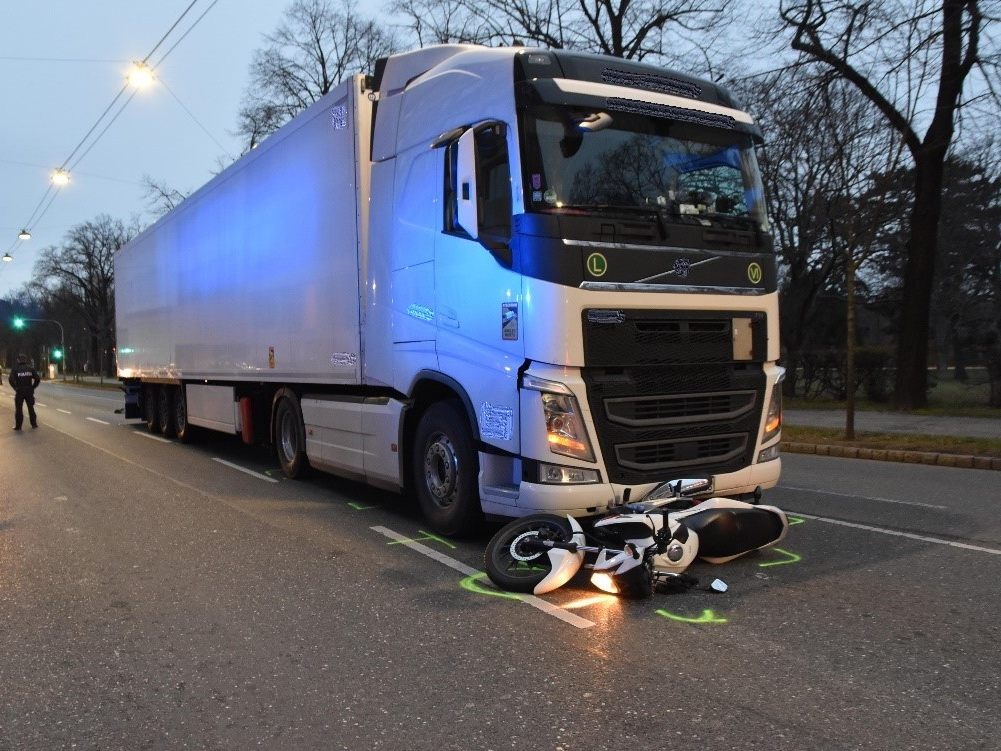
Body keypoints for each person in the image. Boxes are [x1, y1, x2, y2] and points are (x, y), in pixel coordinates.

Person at [9, 353, 41, 430]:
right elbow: (37, 379)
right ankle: (34, 424)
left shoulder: (15, 369)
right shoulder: (30, 368)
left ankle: (18, 426)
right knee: (31, 408)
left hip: (19, 391)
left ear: (18, 360)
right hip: (29, 391)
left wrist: (15, 388)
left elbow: (10, 380)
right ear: (26, 360)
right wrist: (33, 387)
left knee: (19, 409)